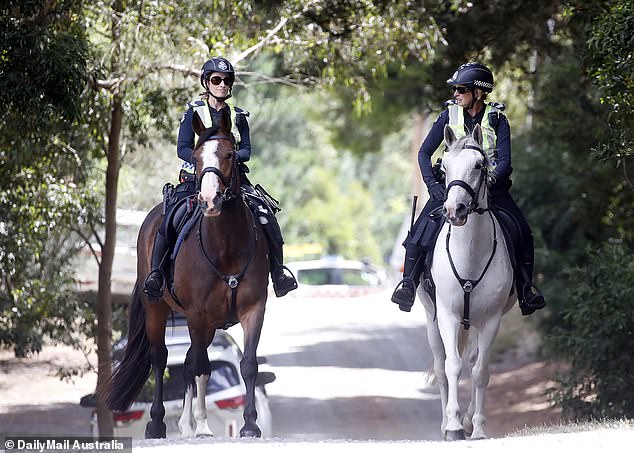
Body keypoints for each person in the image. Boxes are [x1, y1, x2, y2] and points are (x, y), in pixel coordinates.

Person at [391, 62, 546, 316]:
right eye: (455, 89)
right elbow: (424, 153)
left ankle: (526, 289)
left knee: (523, 232)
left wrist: (490, 181)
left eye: (461, 89)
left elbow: (505, 161)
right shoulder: (448, 116)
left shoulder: (497, 119)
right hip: (449, 189)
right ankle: (408, 284)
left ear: (478, 92)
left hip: (491, 189)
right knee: (419, 233)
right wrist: (433, 186)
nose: (455, 94)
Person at [143, 56, 298, 299]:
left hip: (232, 179)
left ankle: (278, 273)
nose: (222, 85)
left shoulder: (238, 116)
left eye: (227, 81)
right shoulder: (194, 111)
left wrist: (230, 157)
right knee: (170, 219)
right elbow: (182, 147)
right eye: (216, 80)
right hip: (197, 178)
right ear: (206, 82)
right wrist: (205, 159)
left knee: (266, 215)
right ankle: (156, 274)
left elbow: (246, 149)